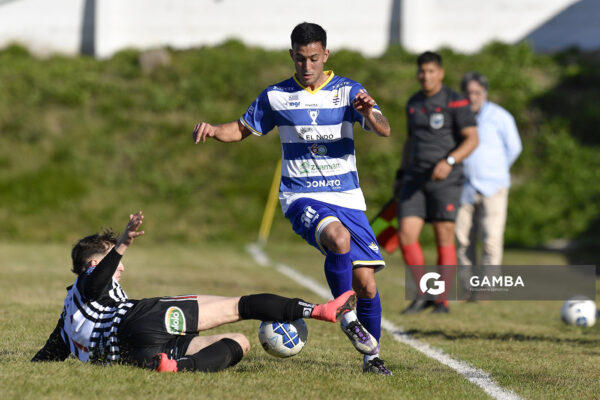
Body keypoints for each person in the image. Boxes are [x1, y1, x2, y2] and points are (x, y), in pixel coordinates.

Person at [192, 22, 392, 375]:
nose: (307, 66)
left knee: (367, 284)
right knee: (338, 239)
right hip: (302, 196)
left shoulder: (348, 91)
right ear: (292, 57)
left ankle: (372, 358)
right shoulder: (275, 96)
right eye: (300, 59)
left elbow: (383, 128)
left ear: (325, 55)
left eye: (314, 58)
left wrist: (367, 112)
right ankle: (344, 313)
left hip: (347, 197)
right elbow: (240, 129)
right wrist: (213, 129)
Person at [31, 211, 362, 373]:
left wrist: (32, 366)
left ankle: (178, 367)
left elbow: (48, 355)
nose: (121, 266)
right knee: (240, 306)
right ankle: (318, 310)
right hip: (138, 320)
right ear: (92, 261)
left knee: (240, 342)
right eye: (110, 258)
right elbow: (96, 280)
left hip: (134, 357)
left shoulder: (66, 317)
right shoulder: (89, 279)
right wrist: (120, 246)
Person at [395, 51, 478, 314]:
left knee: (443, 235)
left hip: (446, 180)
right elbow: (410, 141)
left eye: (431, 71)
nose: (426, 76)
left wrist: (449, 161)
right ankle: (423, 294)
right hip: (414, 179)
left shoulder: (455, 102)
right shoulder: (413, 103)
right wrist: (401, 173)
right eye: (422, 71)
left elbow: (472, 139)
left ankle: (441, 300)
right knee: (406, 233)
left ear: (440, 73)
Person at [455, 72, 522, 297]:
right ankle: (467, 288)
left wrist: (496, 170)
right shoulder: (457, 115)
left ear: (484, 93)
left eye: (477, 93)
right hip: (464, 186)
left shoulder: (501, 117)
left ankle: (486, 291)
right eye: (468, 93)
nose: (472, 97)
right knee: (463, 240)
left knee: (491, 240)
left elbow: (514, 148)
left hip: (494, 187)